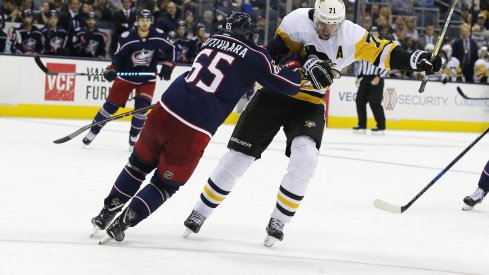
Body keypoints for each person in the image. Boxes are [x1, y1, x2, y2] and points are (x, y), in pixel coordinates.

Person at [183, 0, 443, 247]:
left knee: (306, 158)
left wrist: (417, 60)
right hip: (276, 93)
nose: (326, 29)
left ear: (341, 21)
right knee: (238, 157)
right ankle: (200, 212)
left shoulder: (352, 35)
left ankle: (279, 220)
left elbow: (385, 52)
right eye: (322, 23)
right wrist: (302, 61)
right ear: (314, 16)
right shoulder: (295, 21)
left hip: (310, 102)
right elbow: (271, 56)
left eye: (333, 24)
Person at [91, 11, 311, 244]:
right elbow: (288, 85)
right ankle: (125, 220)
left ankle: (105, 212)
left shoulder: (213, 39)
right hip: (193, 128)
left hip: (165, 110)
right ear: (248, 34)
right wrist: (295, 65)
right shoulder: (255, 56)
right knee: (164, 184)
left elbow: (232, 62)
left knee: (136, 166)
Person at [82, 9, 176, 150]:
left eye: (147, 20)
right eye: (142, 20)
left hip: (147, 79)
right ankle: (93, 131)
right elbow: (118, 58)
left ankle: (133, 137)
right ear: (137, 21)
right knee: (110, 107)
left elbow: (172, 50)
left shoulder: (159, 36)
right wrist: (112, 69)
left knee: (142, 107)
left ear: (151, 21)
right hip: (126, 77)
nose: (144, 23)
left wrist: (168, 66)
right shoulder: (127, 37)